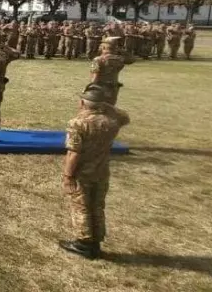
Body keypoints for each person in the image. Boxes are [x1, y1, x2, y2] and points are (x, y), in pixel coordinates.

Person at [60, 83, 130, 260]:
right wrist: (104, 104)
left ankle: (83, 244)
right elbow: (124, 116)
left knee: (81, 207)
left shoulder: (78, 123)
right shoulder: (112, 121)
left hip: (82, 173)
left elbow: (73, 153)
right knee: (97, 206)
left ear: (82, 103)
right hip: (101, 170)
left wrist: (68, 176)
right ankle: (96, 241)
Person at [89, 37, 133, 105]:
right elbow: (131, 59)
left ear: (103, 48)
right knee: (110, 107)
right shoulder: (120, 59)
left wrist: (90, 89)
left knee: (99, 107)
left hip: (101, 86)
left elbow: (95, 78)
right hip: (113, 87)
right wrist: (120, 50)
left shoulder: (98, 60)